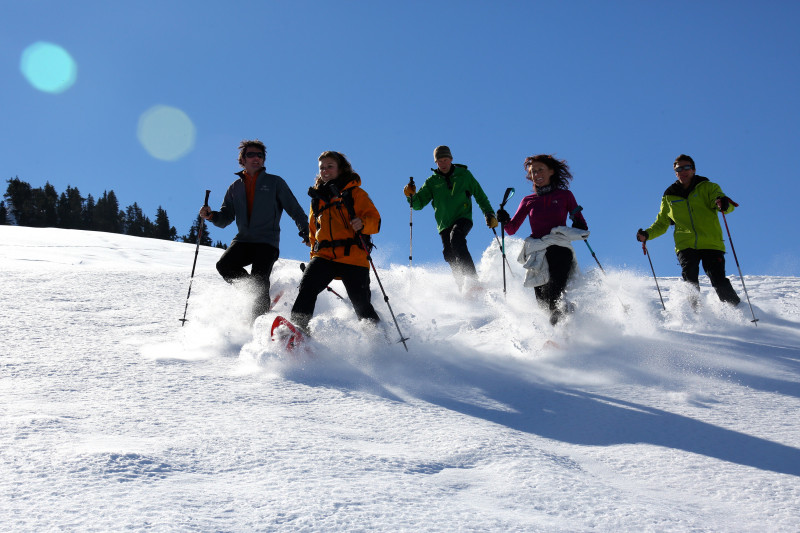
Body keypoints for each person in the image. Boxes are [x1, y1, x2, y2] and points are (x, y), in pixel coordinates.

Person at [199, 139, 308, 321]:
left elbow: (295, 210)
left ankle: (258, 322)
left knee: (259, 280)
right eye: (251, 154)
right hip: (243, 240)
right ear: (242, 159)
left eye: (260, 155)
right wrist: (211, 216)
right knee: (224, 266)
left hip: (267, 242)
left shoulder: (275, 183)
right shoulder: (235, 187)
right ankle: (258, 296)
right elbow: (226, 218)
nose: (256, 158)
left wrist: (306, 231)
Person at [290, 151, 381, 334]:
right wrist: (313, 256)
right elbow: (313, 231)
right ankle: (298, 331)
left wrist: (363, 223)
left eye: (330, 166)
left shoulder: (355, 193)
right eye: (322, 168)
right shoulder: (317, 198)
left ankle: (379, 340)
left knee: (361, 304)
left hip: (353, 256)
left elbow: (375, 221)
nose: (325, 171)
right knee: (307, 287)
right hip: (324, 256)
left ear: (341, 169)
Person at [636, 154, 740, 306]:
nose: (683, 171)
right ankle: (695, 314)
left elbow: (723, 203)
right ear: (675, 172)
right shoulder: (669, 196)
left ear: (693, 169)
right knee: (690, 279)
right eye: (679, 169)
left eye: (687, 167)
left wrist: (723, 203)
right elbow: (662, 223)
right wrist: (647, 234)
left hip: (711, 242)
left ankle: (737, 311)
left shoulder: (708, 187)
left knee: (718, 279)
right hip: (685, 244)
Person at [497, 154, 589, 325]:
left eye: (540, 170)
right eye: (533, 172)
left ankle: (562, 334)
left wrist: (576, 219)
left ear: (551, 171)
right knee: (543, 304)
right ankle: (565, 326)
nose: (536, 174)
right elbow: (511, 229)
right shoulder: (528, 200)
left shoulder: (565, 195)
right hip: (537, 253)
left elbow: (582, 228)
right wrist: (504, 218)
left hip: (559, 249)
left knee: (555, 295)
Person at [403, 145, 497, 291]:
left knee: (456, 238)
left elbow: (479, 195)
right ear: (436, 163)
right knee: (449, 253)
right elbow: (418, 205)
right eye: (439, 161)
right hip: (443, 224)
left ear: (451, 159)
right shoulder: (432, 182)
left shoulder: (464, 175)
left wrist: (489, 213)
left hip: (463, 217)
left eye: (445, 160)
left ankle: (473, 280)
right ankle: (461, 287)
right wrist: (411, 195)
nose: (443, 164)